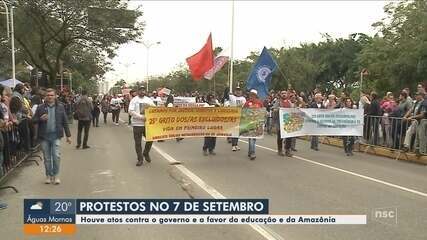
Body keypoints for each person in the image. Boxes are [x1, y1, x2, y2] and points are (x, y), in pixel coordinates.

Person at [33, 88, 71, 184]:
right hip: (44, 136)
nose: (50, 97)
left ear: (55, 96)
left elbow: (65, 121)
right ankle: (48, 176)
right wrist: (40, 119)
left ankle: (56, 175)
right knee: (47, 158)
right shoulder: (40, 107)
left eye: (51, 95)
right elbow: (33, 120)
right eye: (48, 95)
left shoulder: (60, 107)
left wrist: (68, 135)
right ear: (45, 96)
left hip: (56, 135)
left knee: (56, 156)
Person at [128, 86, 155, 166]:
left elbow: (154, 108)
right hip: (137, 124)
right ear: (138, 91)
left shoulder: (148, 100)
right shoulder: (134, 100)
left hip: (147, 124)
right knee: (138, 142)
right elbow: (130, 111)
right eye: (141, 90)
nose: (142, 92)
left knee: (150, 139)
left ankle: (146, 153)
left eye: (144, 90)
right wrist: (141, 117)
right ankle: (140, 159)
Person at [243, 89, 264, 160]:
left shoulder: (259, 103)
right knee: (251, 138)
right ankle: (252, 153)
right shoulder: (247, 103)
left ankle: (250, 151)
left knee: (253, 139)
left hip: (257, 124)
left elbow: (263, 111)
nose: (251, 96)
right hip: (249, 123)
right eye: (250, 94)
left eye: (253, 95)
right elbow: (243, 112)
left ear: (255, 96)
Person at [225, 87, 246, 151]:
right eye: (237, 90)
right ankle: (233, 145)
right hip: (233, 116)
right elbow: (225, 94)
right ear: (235, 91)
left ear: (241, 92)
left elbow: (245, 107)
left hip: (240, 116)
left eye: (239, 90)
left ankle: (236, 144)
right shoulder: (232, 97)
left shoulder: (243, 99)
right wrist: (227, 88)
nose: (238, 92)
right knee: (234, 131)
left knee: (238, 132)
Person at [274, 90, 293, 157]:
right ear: (281, 95)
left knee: (289, 137)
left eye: (285, 93)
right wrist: (278, 109)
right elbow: (274, 109)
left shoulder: (289, 102)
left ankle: (287, 150)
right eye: (282, 93)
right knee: (280, 137)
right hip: (280, 122)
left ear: (287, 94)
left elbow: (292, 109)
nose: (284, 94)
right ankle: (280, 150)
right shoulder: (278, 101)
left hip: (288, 122)